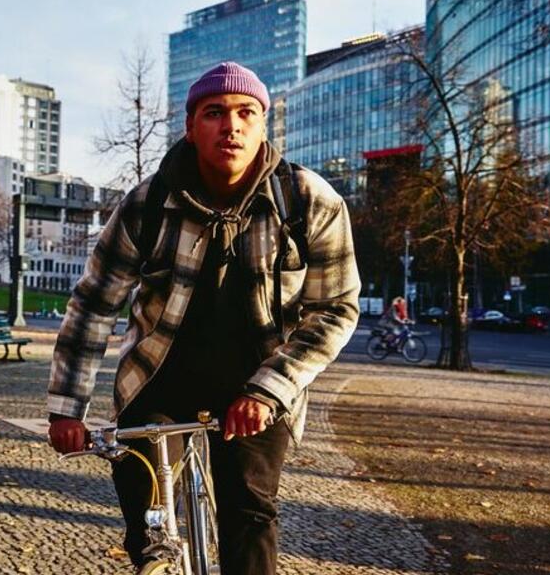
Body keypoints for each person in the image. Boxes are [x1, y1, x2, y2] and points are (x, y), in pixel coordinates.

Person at [46, 62, 360, 574]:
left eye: (245, 113)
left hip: (257, 380)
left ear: (264, 126)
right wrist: (66, 408)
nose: (231, 126)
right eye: (214, 113)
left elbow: (336, 308)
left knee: (250, 510)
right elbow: (95, 302)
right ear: (192, 128)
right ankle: (153, 555)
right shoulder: (146, 204)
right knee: (143, 498)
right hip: (160, 373)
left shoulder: (308, 202)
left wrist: (269, 391)